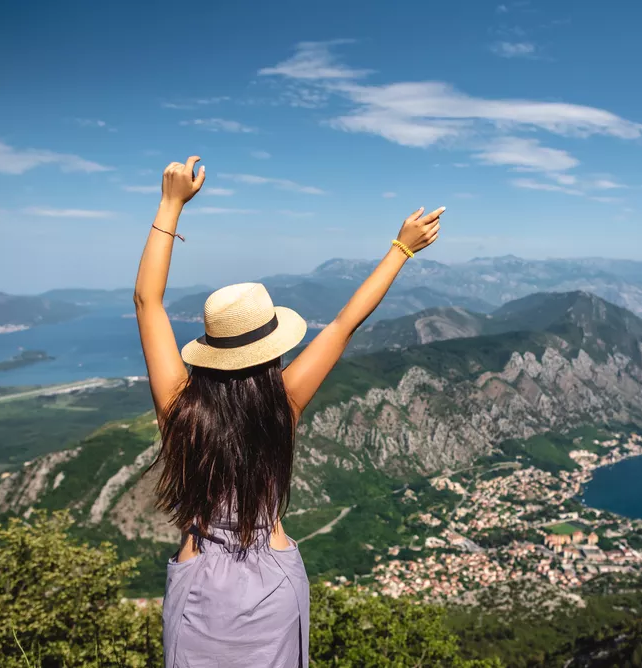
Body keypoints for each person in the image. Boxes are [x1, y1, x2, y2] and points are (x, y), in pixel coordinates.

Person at [133, 156, 444, 667]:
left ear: (212, 350)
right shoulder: (283, 405)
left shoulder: (179, 410)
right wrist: (401, 249)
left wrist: (170, 204)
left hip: (197, 586)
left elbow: (149, 303)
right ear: (270, 351)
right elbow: (345, 324)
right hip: (273, 582)